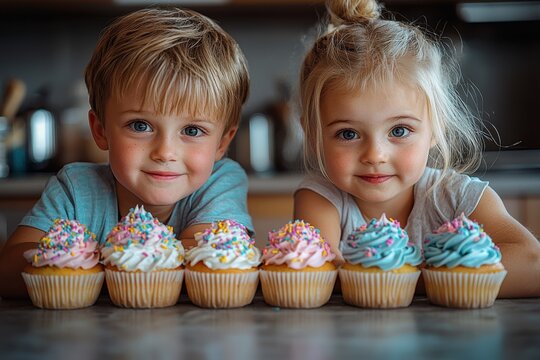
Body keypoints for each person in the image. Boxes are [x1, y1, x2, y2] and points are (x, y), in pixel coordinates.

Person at [294, 0, 540, 297]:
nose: (375, 155)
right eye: (348, 134)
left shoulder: (457, 198)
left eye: (399, 131)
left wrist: (415, 280)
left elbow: (532, 262)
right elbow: (320, 273)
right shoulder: (322, 199)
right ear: (312, 134)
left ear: (436, 127)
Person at [0, 7, 251, 298]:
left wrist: (90, 262)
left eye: (192, 131)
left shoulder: (221, 182)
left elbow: (205, 261)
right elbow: (7, 271)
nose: (165, 152)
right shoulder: (76, 188)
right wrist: (72, 256)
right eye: (140, 125)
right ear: (101, 129)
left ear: (222, 142)